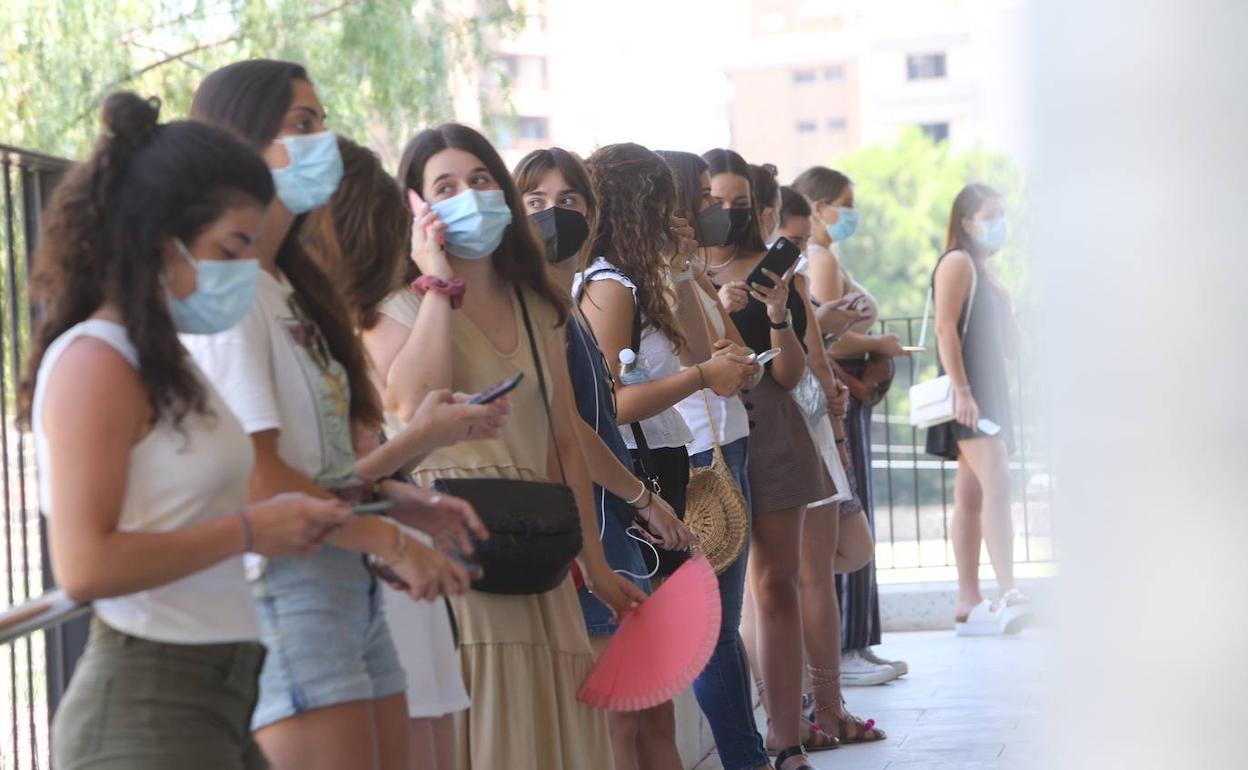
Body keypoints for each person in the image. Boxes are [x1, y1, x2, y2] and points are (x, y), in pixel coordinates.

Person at [21, 91, 350, 770]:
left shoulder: (163, 359)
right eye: (232, 246)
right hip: (148, 710)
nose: (244, 269)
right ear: (160, 236)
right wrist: (254, 531)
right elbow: (84, 568)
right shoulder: (96, 362)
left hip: (219, 698)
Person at [187, 60, 483, 770]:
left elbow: (317, 461)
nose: (324, 140)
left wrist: (396, 499)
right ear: (238, 140)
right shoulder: (228, 294)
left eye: (321, 120)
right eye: (302, 124)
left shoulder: (287, 285)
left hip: (342, 581)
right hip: (289, 593)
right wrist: (383, 533)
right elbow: (258, 478)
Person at [367, 122, 647, 770]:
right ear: (418, 207)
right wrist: (435, 282)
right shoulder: (395, 308)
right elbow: (412, 403)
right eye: (445, 186)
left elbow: (565, 446)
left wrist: (597, 569)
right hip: (454, 554)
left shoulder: (540, 305)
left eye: (481, 179)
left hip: (538, 555)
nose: (468, 194)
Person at [300, 135, 512, 770]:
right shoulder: (339, 326)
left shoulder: (323, 332)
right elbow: (311, 491)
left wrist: (410, 483)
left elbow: (355, 474)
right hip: (351, 589)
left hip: (396, 582)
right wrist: (419, 440)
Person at [514, 146, 695, 770]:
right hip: (588, 532)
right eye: (535, 202)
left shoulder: (568, 306)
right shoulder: (537, 311)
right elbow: (573, 431)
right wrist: (644, 499)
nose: (552, 215)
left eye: (567, 201)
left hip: (616, 531)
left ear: (592, 216)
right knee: (619, 726)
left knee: (653, 714)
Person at [577, 142, 754, 770]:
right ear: (640, 205)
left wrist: (683, 269)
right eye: (669, 204)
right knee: (637, 697)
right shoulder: (608, 285)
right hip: (633, 485)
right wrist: (701, 377)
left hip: (666, 471)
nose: (682, 215)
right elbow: (610, 405)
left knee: (659, 691)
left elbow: (704, 350)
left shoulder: (643, 276)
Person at [703, 148, 836, 770]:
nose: (725, 214)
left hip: (773, 430)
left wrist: (777, 312)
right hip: (706, 440)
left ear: (756, 208)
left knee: (776, 585)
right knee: (724, 601)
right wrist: (711, 307)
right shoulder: (674, 275)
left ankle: (787, 739)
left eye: (737, 203)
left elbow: (791, 373)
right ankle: (752, 728)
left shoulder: (778, 273)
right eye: (713, 202)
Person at [657, 149, 773, 770]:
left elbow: (723, 350)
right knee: (712, 628)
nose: (713, 209)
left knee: (723, 622)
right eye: (701, 195)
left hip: (728, 440)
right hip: (696, 451)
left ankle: (747, 753)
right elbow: (699, 363)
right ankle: (746, 758)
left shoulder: (687, 270)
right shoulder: (640, 278)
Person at [771, 185, 888, 740]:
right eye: (790, 239)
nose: (798, 250)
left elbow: (815, 354)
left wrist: (835, 425)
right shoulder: (742, 285)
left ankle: (819, 707)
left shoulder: (786, 280)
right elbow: (805, 359)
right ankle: (805, 711)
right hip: (788, 433)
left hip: (815, 426)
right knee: (792, 582)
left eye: (799, 241)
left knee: (827, 564)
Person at [791, 166, 908, 685]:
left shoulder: (825, 258)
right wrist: (878, 345)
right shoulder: (817, 260)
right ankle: (843, 649)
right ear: (818, 207)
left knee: (851, 521)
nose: (849, 213)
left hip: (843, 402)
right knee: (843, 522)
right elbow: (825, 339)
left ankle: (854, 641)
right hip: (835, 402)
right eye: (843, 202)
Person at [926, 183, 1029, 634]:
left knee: (970, 496)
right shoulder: (957, 262)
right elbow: (946, 331)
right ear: (966, 221)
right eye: (990, 214)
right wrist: (962, 391)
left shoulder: (986, 269)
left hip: (988, 389)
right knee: (998, 485)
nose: (997, 223)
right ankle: (1007, 588)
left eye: (1001, 213)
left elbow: (1008, 345)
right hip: (970, 394)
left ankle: (968, 599)